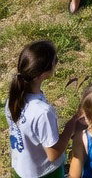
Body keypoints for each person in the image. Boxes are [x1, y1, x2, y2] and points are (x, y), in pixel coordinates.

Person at [5, 39, 80, 178]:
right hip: (44, 174)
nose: (56, 62)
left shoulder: (13, 99)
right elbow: (53, 154)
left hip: (21, 169)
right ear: (42, 74)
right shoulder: (42, 112)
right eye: (54, 60)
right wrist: (73, 123)